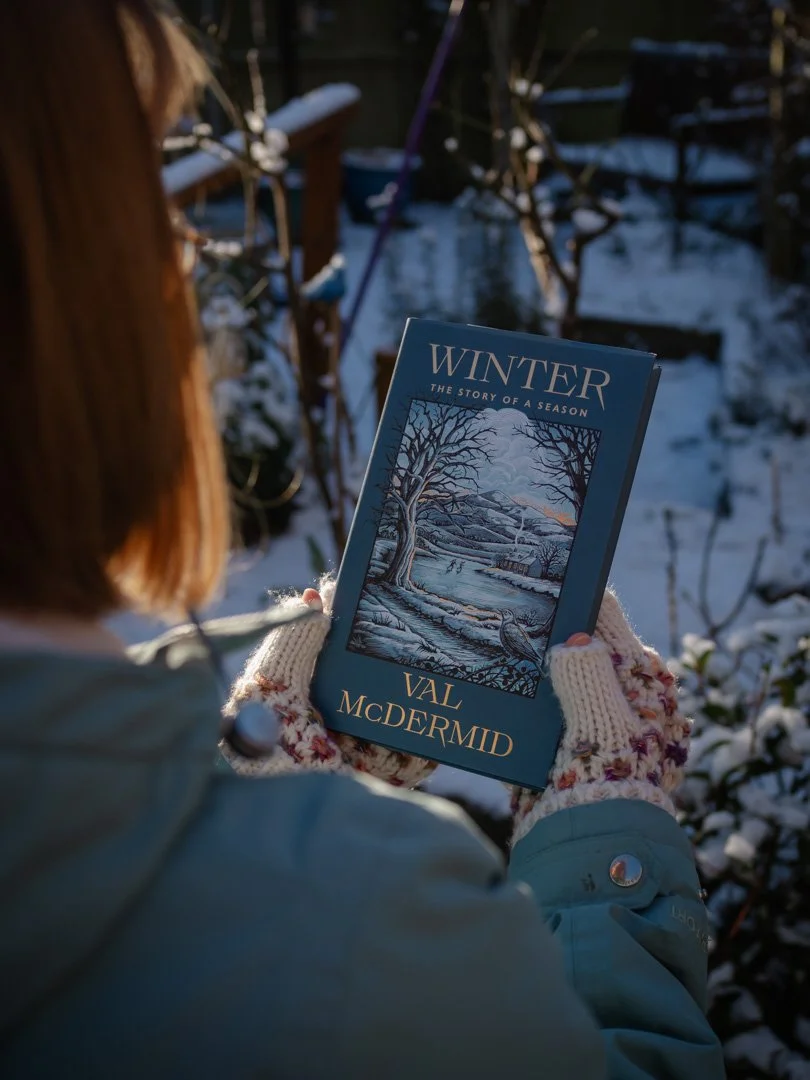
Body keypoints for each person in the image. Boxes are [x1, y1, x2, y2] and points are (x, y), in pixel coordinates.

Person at [0, 1, 724, 1077]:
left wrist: (244, 793)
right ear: (78, 307)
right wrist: (610, 860)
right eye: (156, 202)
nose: (186, 256)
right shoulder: (371, 922)